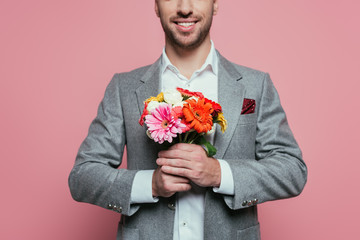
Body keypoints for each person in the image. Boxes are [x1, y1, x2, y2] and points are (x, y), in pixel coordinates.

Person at [68, 0, 307, 239]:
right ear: (156, 6)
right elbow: (83, 176)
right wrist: (150, 184)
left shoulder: (256, 85)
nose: (185, 7)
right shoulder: (123, 87)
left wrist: (218, 173)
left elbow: (292, 170)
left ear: (215, 4)